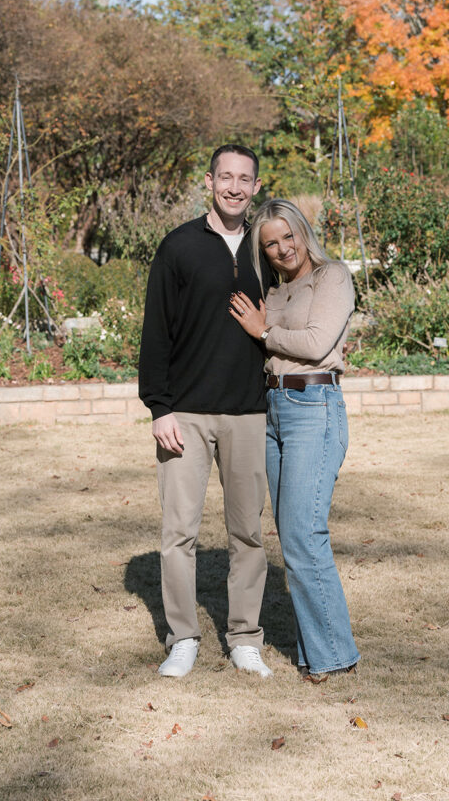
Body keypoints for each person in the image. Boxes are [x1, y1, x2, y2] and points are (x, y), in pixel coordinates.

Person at [138, 145, 273, 679]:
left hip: (248, 412)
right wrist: (160, 407)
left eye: (244, 178)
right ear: (210, 181)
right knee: (179, 533)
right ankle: (184, 637)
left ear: (256, 186)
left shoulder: (268, 250)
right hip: (186, 415)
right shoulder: (179, 247)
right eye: (225, 177)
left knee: (248, 533)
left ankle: (244, 637)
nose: (234, 187)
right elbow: (156, 332)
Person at [229, 199, 360, 682]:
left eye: (289, 236)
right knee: (292, 536)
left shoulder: (332, 277)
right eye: (271, 244)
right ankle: (315, 650)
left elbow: (316, 343)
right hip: (274, 411)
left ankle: (332, 655)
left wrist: (264, 330)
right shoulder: (276, 290)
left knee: (306, 534)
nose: (283, 249)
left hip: (314, 409)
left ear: (303, 231)